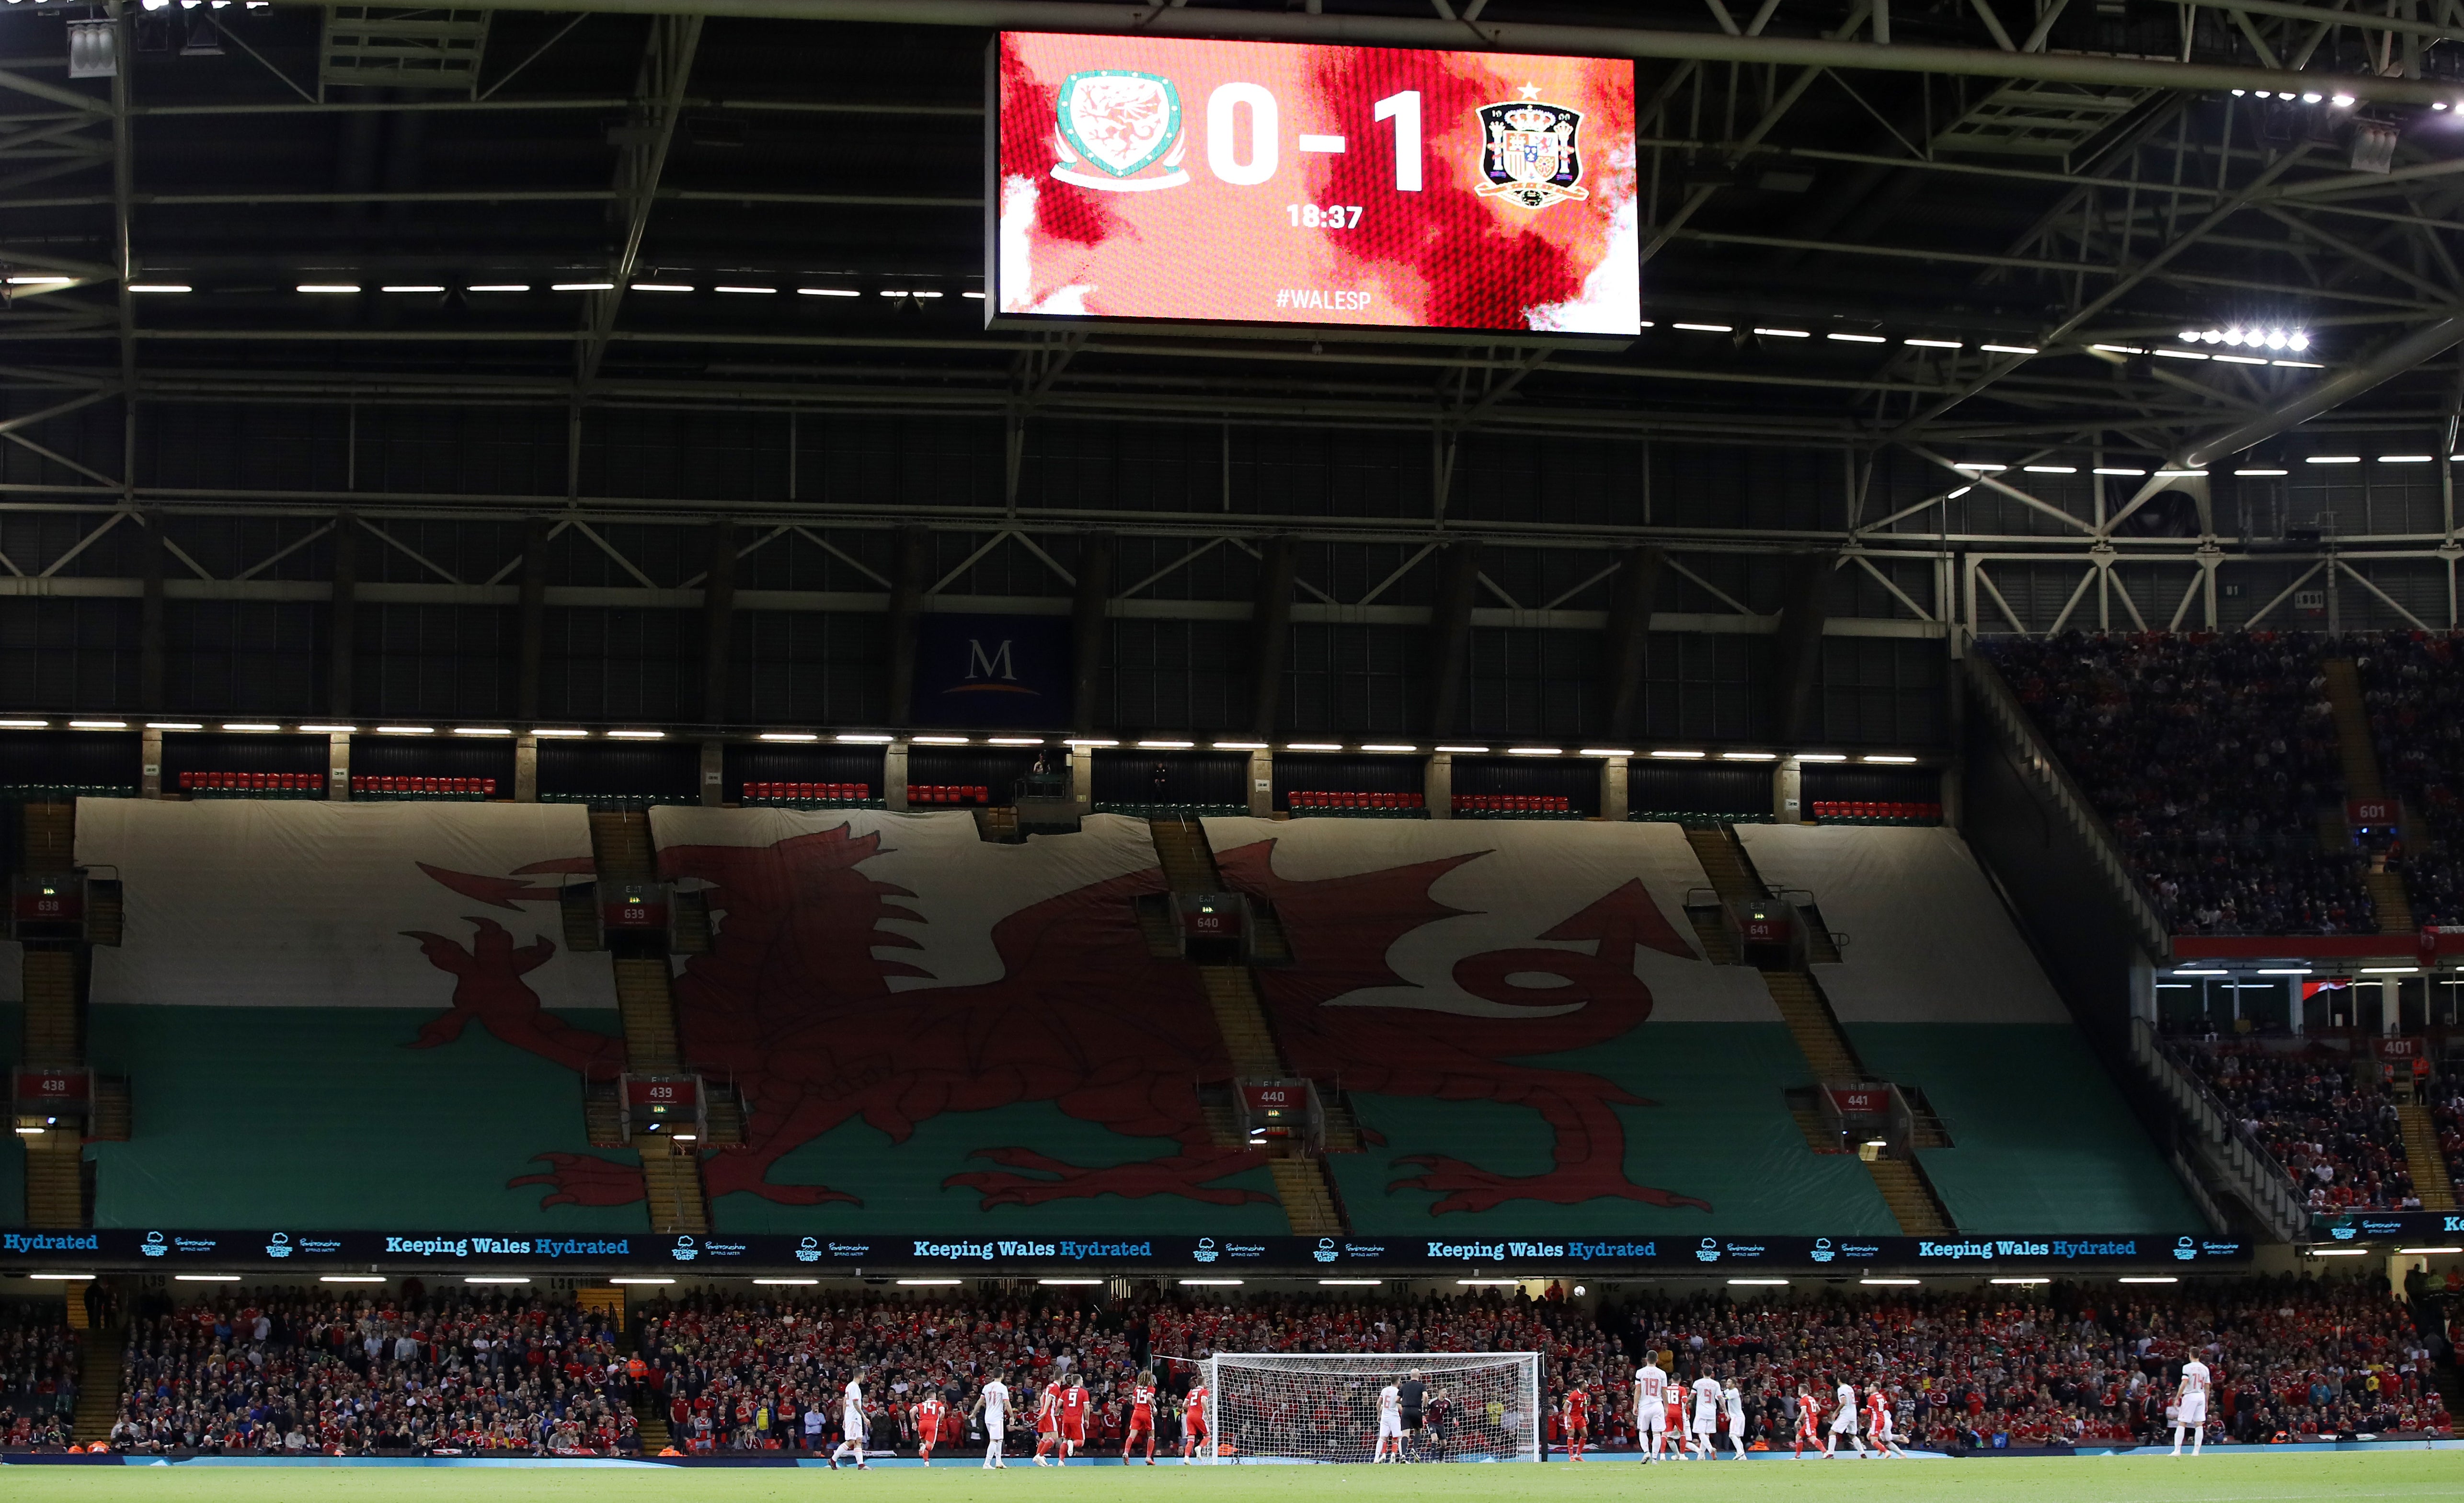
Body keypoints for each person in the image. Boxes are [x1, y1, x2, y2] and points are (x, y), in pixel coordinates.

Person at [2173, 1355, 2212, 1457]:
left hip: (2190, 1395)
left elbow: (2184, 1382)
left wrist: (2178, 1397)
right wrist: (2207, 1401)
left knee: (2182, 1422)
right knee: (2199, 1424)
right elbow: (2208, 1386)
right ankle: (2196, 1451)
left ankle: (2177, 1450)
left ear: (2191, 1355)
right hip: (2201, 1395)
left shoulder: (2187, 1367)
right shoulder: (2205, 1368)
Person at [830, 1368, 869, 1470]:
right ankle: (833, 1460)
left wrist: (844, 1418)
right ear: (860, 1376)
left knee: (858, 1440)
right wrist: (864, 1417)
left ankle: (861, 1465)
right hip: (854, 1417)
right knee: (851, 1440)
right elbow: (856, 1404)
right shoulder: (854, 1387)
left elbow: (845, 1403)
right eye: (864, 1376)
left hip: (852, 1417)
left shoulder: (849, 1387)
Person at [1633, 1355, 1669, 1462]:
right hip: (1657, 1404)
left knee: (1643, 1431)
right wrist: (1666, 1407)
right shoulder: (1662, 1373)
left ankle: (1646, 1452)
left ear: (1646, 1360)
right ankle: (1654, 1458)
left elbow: (1638, 1390)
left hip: (1644, 1405)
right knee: (1657, 1433)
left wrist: (1635, 1405)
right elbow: (1664, 1392)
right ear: (1657, 1360)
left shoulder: (1640, 1372)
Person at [1123, 1372, 1158, 1465]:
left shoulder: (1137, 1389)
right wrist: (1154, 1408)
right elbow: (1149, 1398)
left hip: (1136, 1413)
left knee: (1132, 1435)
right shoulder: (1151, 1388)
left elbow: (1133, 1402)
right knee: (1151, 1436)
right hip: (1146, 1413)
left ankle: (1126, 1452)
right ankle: (1148, 1457)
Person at [1825, 1376, 1865, 1458]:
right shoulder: (1850, 1388)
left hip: (1846, 1414)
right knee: (1852, 1435)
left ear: (1839, 1380)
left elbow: (1843, 1402)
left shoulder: (1841, 1389)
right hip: (1853, 1414)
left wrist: (1836, 1412)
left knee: (1832, 1433)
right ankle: (1863, 1454)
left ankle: (1830, 1454)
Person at [1865, 1384, 1904, 1459]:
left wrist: (1863, 1411)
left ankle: (1893, 1447)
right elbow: (1886, 1407)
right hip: (1885, 1418)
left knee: (1883, 1440)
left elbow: (1868, 1411)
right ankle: (1883, 1448)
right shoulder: (1882, 1397)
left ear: (1875, 1388)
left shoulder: (1873, 1398)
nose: (1869, 1389)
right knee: (1880, 1438)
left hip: (1880, 1420)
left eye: (1870, 1387)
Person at [1689, 1372, 1721, 1460]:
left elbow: (1692, 1396)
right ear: (1711, 1373)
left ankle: (1710, 1449)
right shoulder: (1716, 1384)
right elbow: (1720, 1398)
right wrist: (1725, 1411)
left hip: (1701, 1411)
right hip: (1712, 1411)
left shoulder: (1698, 1383)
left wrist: (1686, 1404)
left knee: (1700, 1432)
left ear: (1703, 1372)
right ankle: (1701, 1456)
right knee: (1707, 1434)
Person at [1032, 1373, 1063, 1465]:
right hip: (1049, 1413)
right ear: (1061, 1378)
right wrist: (1046, 1411)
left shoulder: (1049, 1386)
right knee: (1055, 1437)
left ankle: (1038, 1456)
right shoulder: (1056, 1388)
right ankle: (1040, 1456)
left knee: (1045, 1437)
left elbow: (1042, 1398)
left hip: (1044, 1412)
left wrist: (1042, 1409)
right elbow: (1049, 1398)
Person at [1058, 1373, 1089, 1464]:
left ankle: (1061, 1461)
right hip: (1077, 1420)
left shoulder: (1065, 1392)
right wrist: (1087, 1419)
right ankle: (1073, 1444)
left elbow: (1058, 1405)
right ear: (1079, 1381)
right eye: (1082, 1380)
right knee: (1081, 1441)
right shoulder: (1084, 1392)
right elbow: (1087, 1408)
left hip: (1066, 1419)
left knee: (1065, 1439)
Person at [1374, 1377, 1405, 1462]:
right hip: (1394, 1417)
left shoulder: (1384, 1390)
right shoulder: (1397, 1392)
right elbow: (1400, 1402)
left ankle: (1376, 1458)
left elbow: (1378, 1404)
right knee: (1399, 1437)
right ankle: (1402, 1457)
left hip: (1384, 1417)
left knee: (1382, 1438)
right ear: (1398, 1381)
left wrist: (1379, 1415)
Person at [1399, 1371, 1427, 1460]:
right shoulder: (1421, 1386)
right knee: (1418, 1431)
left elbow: (1396, 1399)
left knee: (1405, 1434)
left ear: (1410, 1376)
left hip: (1406, 1410)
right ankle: (1414, 1449)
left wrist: (1404, 1402)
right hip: (1416, 1410)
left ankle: (1403, 1455)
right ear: (1419, 1376)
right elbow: (1426, 1396)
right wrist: (1425, 1407)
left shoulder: (1404, 1386)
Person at [1180, 1378, 1209, 1464]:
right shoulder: (1204, 1391)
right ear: (1204, 1383)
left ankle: (1186, 1458)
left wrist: (1192, 1408)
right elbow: (1203, 1402)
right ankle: (1199, 1447)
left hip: (1189, 1416)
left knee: (1191, 1438)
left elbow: (1184, 1405)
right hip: (1198, 1415)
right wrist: (1207, 1413)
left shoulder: (1191, 1392)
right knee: (1208, 1435)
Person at [915, 1388, 946, 1468]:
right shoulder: (938, 1403)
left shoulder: (921, 1404)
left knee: (924, 1443)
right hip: (932, 1424)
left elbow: (912, 1411)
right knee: (930, 1446)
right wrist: (940, 1421)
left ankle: (926, 1463)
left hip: (921, 1425)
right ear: (934, 1396)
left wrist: (913, 1422)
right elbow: (943, 1412)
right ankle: (925, 1447)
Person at [1792, 1384, 1822, 1459]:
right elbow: (1819, 1409)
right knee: (1798, 1437)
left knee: (1812, 1438)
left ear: (1801, 1391)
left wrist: (1798, 1421)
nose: (1798, 1392)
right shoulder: (1811, 1398)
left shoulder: (1803, 1400)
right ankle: (1797, 1457)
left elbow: (1804, 1411)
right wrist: (1813, 1415)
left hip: (1810, 1421)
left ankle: (1826, 1453)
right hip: (1812, 1420)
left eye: (1799, 1390)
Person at [1722, 1377, 1747, 1459]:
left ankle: (1739, 1452)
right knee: (1738, 1437)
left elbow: (1725, 1399)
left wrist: (1718, 1398)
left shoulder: (1734, 1392)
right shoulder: (1729, 1391)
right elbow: (1721, 1393)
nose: (1727, 1383)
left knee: (1732, 1435)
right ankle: (1743, 1456)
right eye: (1727, 1382)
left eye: (1729, 1382)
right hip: (1740, 1417)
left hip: (1737, 1417)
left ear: (1734, 1384)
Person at [1562, 1384, 1589, 1462]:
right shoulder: (1574, 1395)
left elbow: (1585, 1405)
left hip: (1579, 1417)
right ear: (1582, 1386)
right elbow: (1565, 1407)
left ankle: (1578, 1455)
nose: (1588, 1386)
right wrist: (1569, 1418)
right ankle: (1571, 1456)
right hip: (1571, 1416)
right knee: (1571, 1433)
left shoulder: (1586, 1395)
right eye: (1586, 1384)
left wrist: (1586, 1415)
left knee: (1585, 1435)